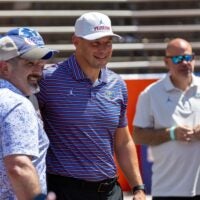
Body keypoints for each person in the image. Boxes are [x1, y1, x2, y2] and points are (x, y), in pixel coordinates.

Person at [36, 12, 146, 200]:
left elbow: (123, 141)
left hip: (110, 190)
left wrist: (138, 188)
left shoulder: (117, 84)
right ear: (76, 42)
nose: (103, 49)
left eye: (108, 43)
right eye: (95, 43)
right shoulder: (48, 80)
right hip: (64, 190)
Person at [133, 38, 200, 200]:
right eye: (178, 59)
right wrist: (171, 134)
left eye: (188, 58)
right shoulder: (150, 94)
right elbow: (137, 135)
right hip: (168, 190)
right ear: (166, 62)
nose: (184, 63)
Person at [0, 28, 57, 200]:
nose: (39, 72)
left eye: (41, 65)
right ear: (4, 68)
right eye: (30, 64)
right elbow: (18, 166)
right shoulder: (16, 103)